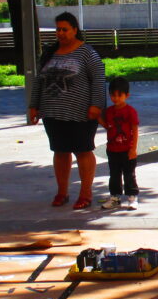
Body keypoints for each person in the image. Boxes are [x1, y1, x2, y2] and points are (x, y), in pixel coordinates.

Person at [28, 12, 106, 211]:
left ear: (74, 30)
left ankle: (86, 194)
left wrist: (96, 106)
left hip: (81, 113)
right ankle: (62, 192)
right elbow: (39, 80)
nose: (60, 33)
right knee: (60, 151)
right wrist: (33, 105)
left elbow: (98, 79)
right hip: (53, 113)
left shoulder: (87, 53)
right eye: (58, 29)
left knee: (83, 150)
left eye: (65, 29)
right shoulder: (50, 53)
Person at [100, 76, 139, 210]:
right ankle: (115, 198)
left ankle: (132, 197)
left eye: (119, 95)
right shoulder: (109, 111)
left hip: (127, 149)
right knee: (114, 175)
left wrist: (133, 149)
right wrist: (97, 118)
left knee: (129, 174)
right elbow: (108, 126)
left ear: (126, 95)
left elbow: (135, 129)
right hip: (112, 149)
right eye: (112, 95)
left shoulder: (130, 111)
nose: (115, 98)